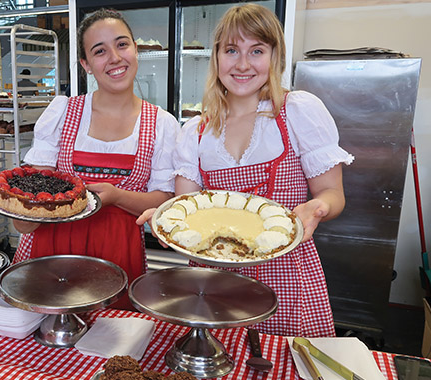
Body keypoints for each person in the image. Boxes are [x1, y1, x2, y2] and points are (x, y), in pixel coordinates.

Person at [138, 3, 353, 337]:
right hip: (213, 280)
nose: (242, 64)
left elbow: (333, 193)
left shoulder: (297, 112)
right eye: (231, 50)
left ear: (274, 56)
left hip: (286, 277)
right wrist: (165, 218)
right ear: (217, 57)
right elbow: (185, 206)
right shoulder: (195, 131)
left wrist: (320, 206)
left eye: (256, 51)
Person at [12, 8, 179, 309]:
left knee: (112, 345)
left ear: (136, 50)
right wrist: (19, 207)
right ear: (86, 64)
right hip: (53, 250)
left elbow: (163, 198)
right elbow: (32, 199)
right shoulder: (63, 113)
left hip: (118, 251)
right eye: (100, 51)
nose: (114, 58)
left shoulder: (161, 123)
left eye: (122, 44)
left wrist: (116, 197)